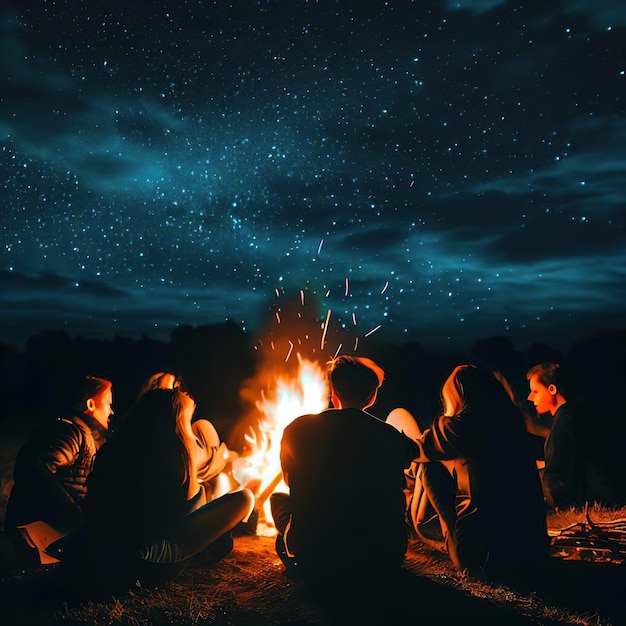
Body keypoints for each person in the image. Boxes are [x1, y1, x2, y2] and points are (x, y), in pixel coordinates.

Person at [62, 387, 254, 592]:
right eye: (188, 421)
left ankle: (208, 548)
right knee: (244, 498)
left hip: (97, 553)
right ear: (176, 421)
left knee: (216, 522)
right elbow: (185, 512)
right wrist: (195, 464)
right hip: (144, 561)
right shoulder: (175, 455)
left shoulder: (114, 448)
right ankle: (202, 553)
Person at [269, 355, 420, 585]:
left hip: (316, 555)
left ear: (334, 393)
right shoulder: (390, 435)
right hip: (383, 557)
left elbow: (290, 483)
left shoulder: (297, 428)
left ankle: (298, 560)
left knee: (278, 500)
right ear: (371, 397)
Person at [394, 365, 549, 583]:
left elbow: (414, 451)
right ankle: (452, 535)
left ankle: (448, 535)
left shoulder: (458, 426)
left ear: (456, 395)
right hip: (532, 553)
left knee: (428, 465)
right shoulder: (511, 424)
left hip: (482, 558)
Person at [1, 376, 114, 571]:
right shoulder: (69, 432)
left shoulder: (82, 433)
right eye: (108, 404)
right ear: (90, 404)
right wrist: (71, 513)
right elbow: (33, 468)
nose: (111, 411)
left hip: (51, 538)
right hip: (36, 535)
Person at [526, 362, 618, 509]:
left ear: (552, 389)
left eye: (535, 391)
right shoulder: (575, 415)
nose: (530, 397)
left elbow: (558, 478)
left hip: (590, 503)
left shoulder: (565, 422)